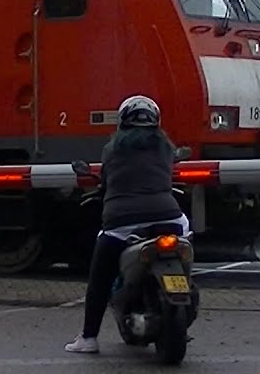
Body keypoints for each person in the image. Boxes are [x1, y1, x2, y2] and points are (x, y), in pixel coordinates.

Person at [64, 94, 189, 354]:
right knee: (186, 236)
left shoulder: (113, 149)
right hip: (170, 218)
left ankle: (88, 338)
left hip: (123, 223)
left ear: (122, 121)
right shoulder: (166, 147)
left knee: (99, 277)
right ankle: (185, 284)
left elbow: (107, 182)